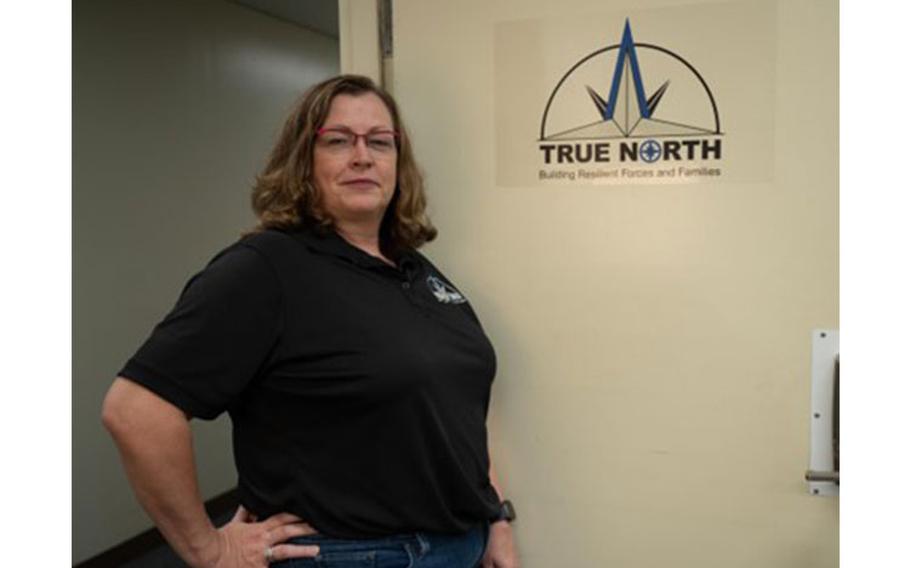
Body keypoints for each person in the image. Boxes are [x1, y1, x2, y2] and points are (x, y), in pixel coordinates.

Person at [102, 74, 519, 568]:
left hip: (459, 546)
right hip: (352, 556)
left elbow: (454, 413)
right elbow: (136, 411)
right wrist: (207, 550)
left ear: (399, 163)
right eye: (338, 141)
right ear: (304, 159)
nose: (362, 156)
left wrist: (494, 519)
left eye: (380, 142)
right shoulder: (267, 268)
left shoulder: (413, 269)